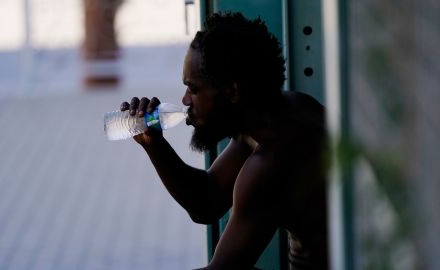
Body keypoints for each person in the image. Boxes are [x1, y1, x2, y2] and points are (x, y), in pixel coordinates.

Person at [120, 12, 329, 270]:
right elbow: (206, 201)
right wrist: (155, 144)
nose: (185, 100)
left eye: (193, 89)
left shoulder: (272, 161)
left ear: (232, 91)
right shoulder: (282, 109)